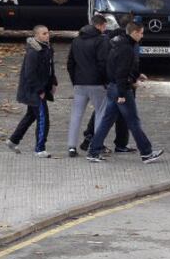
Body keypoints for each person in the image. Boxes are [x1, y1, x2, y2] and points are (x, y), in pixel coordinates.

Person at [87, 22, 164, 163]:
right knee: (133, 121)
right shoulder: (127, 49)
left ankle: (93, 151)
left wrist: (136, 75)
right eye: (141, 33)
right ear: (134, 33)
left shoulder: (115, 44)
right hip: (121, 89)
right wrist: (122, 94)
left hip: (113, 87)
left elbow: (115, 67)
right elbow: (121, 72)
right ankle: (146, 152)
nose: (142, 35)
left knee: (107, 120)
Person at [80, 14, 138, 154]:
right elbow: (125, 65)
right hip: (121, 82)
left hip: (112, 81)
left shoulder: (110, 38)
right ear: (131, 28)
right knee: (121, 115)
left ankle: (92, 138)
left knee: (108, 112)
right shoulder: (125, 42)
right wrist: (131, 79)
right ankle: (114, 143)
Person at [6, 25, 57, 158]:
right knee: (43, 118)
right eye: (44, 33)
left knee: (31, 115)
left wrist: (53, 82)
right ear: (37, 35)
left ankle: (13, 140)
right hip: (34, 91)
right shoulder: (34, 52)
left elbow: (50, 68)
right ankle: (40, 149)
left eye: (48, 33)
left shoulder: (47, 48)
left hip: (40, 89)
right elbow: (29, 74)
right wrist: (39, 90)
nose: (47, 35)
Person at [66, 14, 109, 157]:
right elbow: (103, 63)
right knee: (100, 114)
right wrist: (105, 81)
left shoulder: (76, 40)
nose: (105, 29)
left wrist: (75, 80)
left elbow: (70, 64)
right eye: (105, 26)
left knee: (76, 115)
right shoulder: (101, 41)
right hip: (97, 83)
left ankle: (71, 147)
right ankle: (95, 147)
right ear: (100, 25)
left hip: (79, 83)